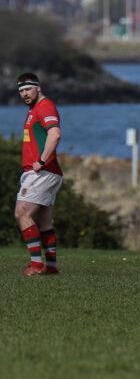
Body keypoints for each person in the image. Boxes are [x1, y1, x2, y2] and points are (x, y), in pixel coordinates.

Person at [15, 73, 64, 276]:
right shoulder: (34, 109)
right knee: (43, 220)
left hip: (42, 171)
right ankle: (50, 267)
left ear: (38, 88)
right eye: (21, 91)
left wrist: (41, 161)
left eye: (28, 89)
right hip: (47, 172)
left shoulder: (45, 106)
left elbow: (55, 134)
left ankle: (36, 265)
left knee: (22, 213)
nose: (25, 94)